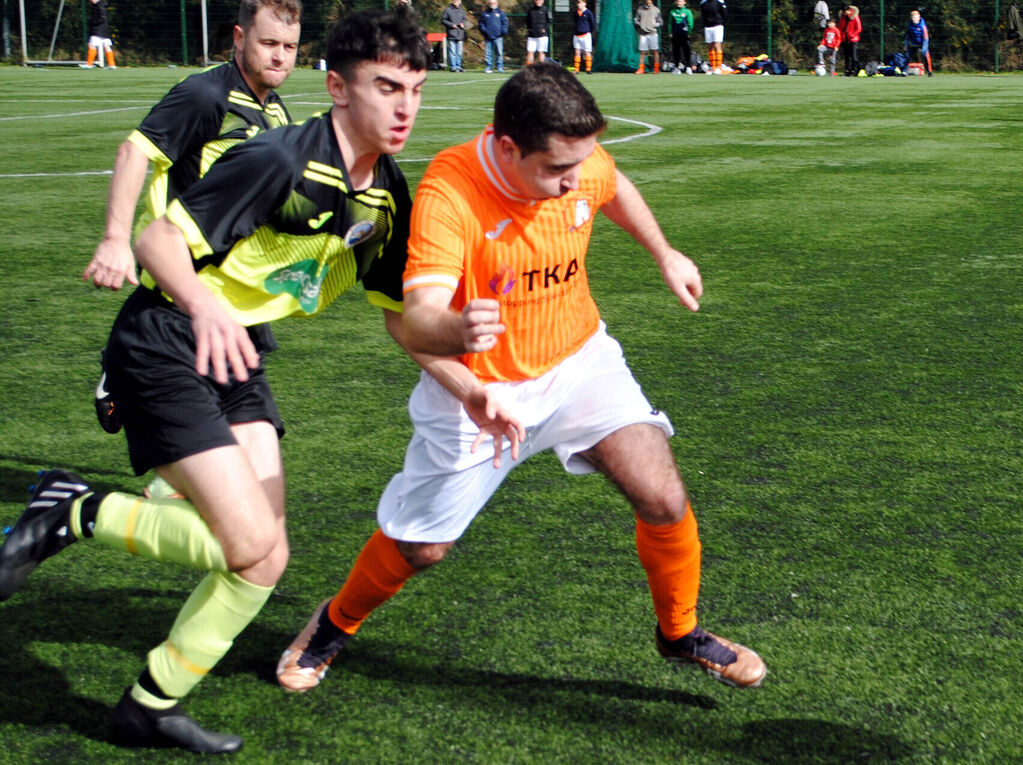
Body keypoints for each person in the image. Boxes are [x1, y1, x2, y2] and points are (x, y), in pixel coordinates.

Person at [0, 8, 444, 754]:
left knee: (265, 556)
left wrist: (471, 372)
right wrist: (195, 297)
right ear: (337, 87)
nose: (404, 107)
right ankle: (71, 508)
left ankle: (150, 702)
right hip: (170, 332)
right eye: (386, 86)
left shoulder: (385, 193)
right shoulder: (268, 148)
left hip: (233, 348)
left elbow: (402, 317)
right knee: (242, 538)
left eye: (416, 90)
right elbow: (153, 234)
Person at [276, 62, 767, 696]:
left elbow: (611, 185)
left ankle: (680, 633)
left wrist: (664, 252)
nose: (574, 183)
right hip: (480, 394)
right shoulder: (450, 194)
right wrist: (464, 350)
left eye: (579, 165)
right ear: (508, 148)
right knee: (422, 549)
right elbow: (414, 319)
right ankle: (335, 621)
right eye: (557, 171)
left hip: (578, 363)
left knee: (663, 496)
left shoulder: (578, 161)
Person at [81, 0, 302, 439]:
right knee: (218, 441)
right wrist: (114, 239)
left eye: (290, 46)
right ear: (240, 39)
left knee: (232, 437)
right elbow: (135, 150)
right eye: (269, 43)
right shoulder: (207, 96)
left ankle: (124, 369)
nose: (279, 56)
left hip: (236, 288)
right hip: (184, 284)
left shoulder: (276, 111)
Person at [84, 0, 116, 68]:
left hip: (98, 30)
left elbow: (102, 18)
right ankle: (112, 64)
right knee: (107, 46)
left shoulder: (99, 6)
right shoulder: (100, 5)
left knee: (91, 45)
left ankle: (89, 64)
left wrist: (95, 23)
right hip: (104, 30)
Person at [635, 0, 663, 73]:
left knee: (655, 51)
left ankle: (656, 68)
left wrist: (655, 25)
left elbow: (660, 21)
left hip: (653, 33)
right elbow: (636, 20)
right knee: (642, 52)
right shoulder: (640, 9)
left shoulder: (656, 10)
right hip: (643, 34)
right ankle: (641, 68)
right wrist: (640, 24)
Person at [480, 0, 509, 72]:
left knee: (499, 53)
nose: (492, 4)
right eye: (491, 3)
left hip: (498, 37)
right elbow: (481, 24)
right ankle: (488, 67)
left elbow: (505, 23)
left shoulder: (501, 13)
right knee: (488, 53)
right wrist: (484, 31)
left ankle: (499, 67)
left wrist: (503, 32)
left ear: (497, 4)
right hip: (488, 37)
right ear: (489, 4)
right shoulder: (485, 13)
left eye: (494, 3)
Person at [698, 0, 726, 72]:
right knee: (710, 46)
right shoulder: (703, 3)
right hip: (708, 26)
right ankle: (713, 67)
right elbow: (703, 14)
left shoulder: (720, 2)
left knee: (717, 45)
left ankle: (718, 67)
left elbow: (724, 13)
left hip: (718, 25)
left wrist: (721, 22)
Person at [442, 0, 468, 71]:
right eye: (455, 0)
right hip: (451, 33)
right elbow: (443, 20)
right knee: (452, 51)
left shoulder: (462, 11)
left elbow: (465, 20)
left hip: (460, 33)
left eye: (457, 0)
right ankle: (453, 67)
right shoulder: (448, 10)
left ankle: (458, 66)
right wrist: (451, 25)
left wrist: (463, 23)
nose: (456, 1)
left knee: (459, 52)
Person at [668, 0, 694, 72]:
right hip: (675, 34)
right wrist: (670, 32)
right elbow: (670, 23)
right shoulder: (672, 11)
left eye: (680, 1)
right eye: (678, 1)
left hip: (684, 34)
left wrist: (689, 33)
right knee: (676, 51)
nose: (679, 3)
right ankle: (676, 67)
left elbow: (690, 23)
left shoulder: (687, 11)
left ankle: (688, 67)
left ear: (684, 2)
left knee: (686, 50)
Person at [906, 9, 932, 76]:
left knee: (925, 54)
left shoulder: (922, 25)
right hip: (913, 43)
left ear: (919, 17)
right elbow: (907, 35)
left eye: (915, 17)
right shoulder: (910, 25)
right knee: (907, 56)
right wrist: (906, 44)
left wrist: (924, 48)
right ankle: (904, 71)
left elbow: (926, 38)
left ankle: (929, 71)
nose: (913, 19)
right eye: (912, 18)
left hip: (922, 43)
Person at [573, 0, 597, 73]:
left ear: (584, 3)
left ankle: (588, 69)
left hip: (586, 35)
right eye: (578, 3)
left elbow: (592, 24)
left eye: (580, 3)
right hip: (577, 35)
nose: (579, 4)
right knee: (577, 52)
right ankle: (576, 69)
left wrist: (589, 32)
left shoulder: (588, 13)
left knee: (587, 52)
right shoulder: (575, 13)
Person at [837, 5, 861, 76]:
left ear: (849, 10)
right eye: (843, 12)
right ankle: (847, 70)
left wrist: (852, 35)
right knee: (846, 56)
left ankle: (854, 70)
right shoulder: (843, 18)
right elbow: (841, 28)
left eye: (845, 11)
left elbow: (859, 28)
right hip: (845, 39)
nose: (845, 13)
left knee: (853, 56)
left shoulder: (855, 17)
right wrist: (841, 36)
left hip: (853, 39)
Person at [526, 0, 552, 64]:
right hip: (532, 35)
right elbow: (527, 21)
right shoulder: (530, 10)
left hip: (542, 36)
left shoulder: (546, 10)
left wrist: (544, 29)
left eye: (540, 0)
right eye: (537, 0)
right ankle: (529, 69)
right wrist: (529, 29)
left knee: (541, 52)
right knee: (530, 52)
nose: (538, 1)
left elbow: (550, 21)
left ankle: (541, 69)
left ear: (543, 1)